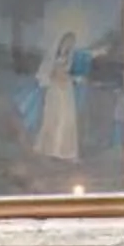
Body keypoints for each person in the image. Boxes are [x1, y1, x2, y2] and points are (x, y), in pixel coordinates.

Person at [36, 30, 83, 165]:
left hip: (67, 90)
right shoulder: (53, 56)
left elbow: (72, 74)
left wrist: (73, 78)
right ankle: (51, 150)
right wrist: (56, 77)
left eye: (72, 42)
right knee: (54, 118)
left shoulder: (71, 57)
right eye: (68, 41)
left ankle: (67, 152)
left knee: (67, 119)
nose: (69, 44)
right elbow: (46, 74)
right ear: (62, 42)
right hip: (55, 90)